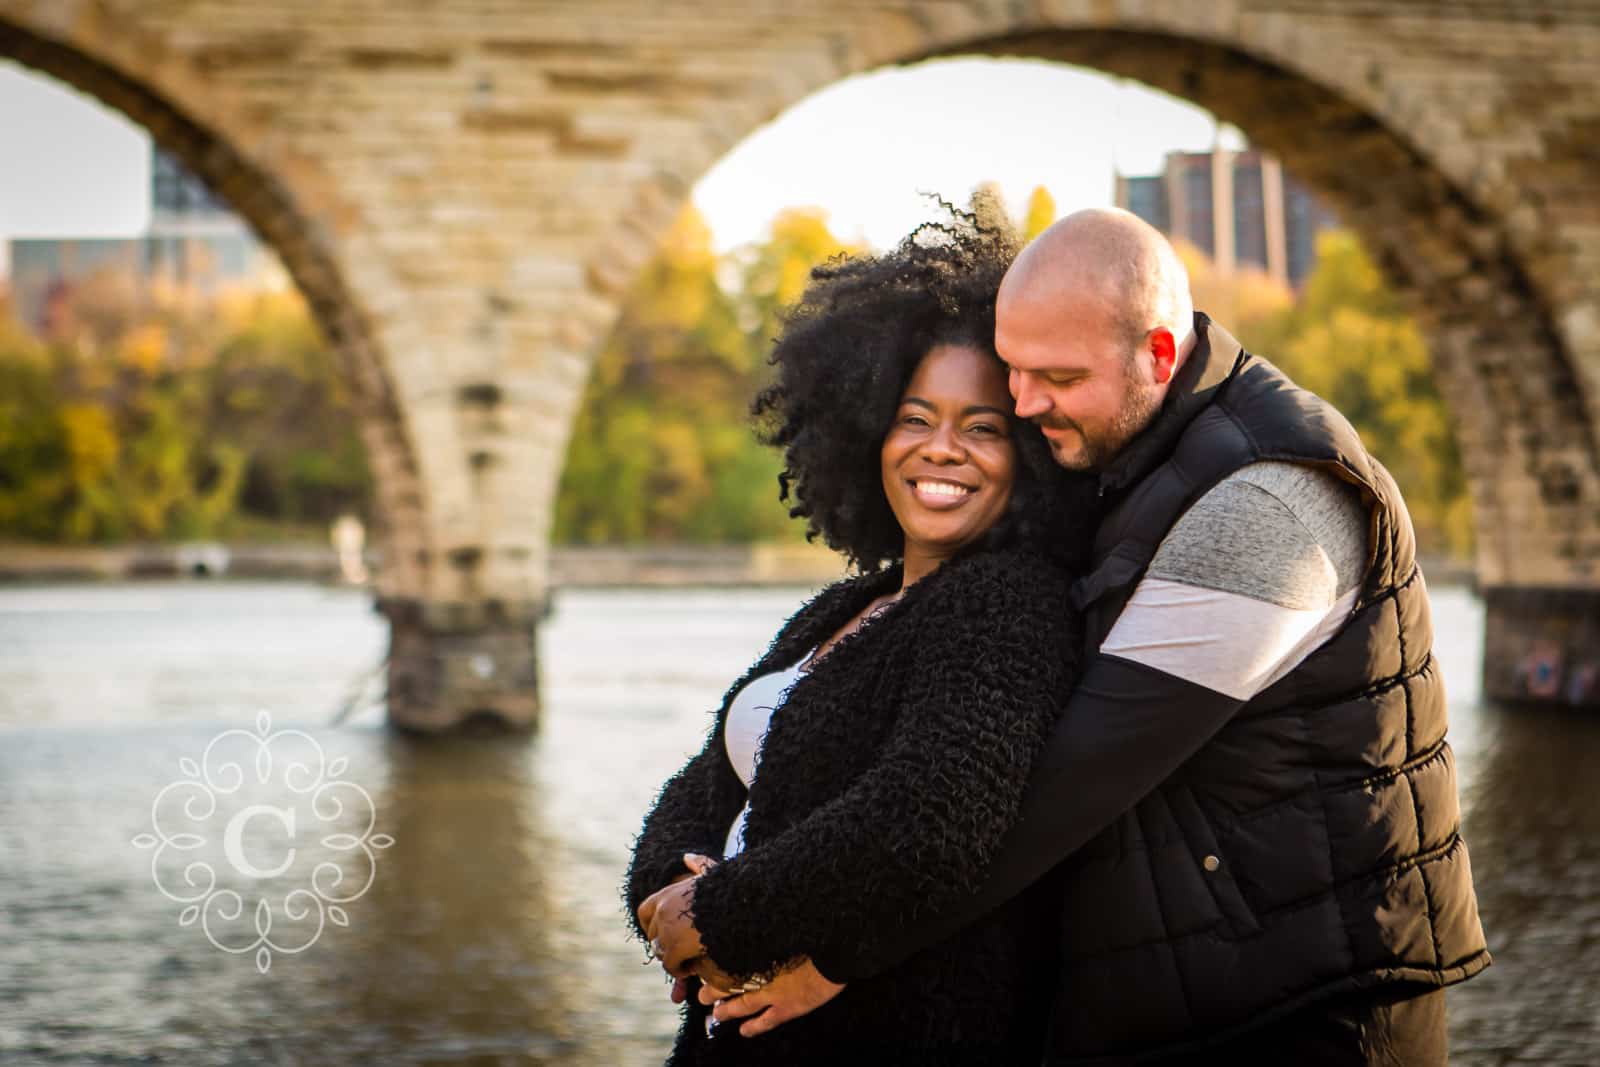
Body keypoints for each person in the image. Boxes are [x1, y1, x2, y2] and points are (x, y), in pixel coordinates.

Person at [656, 209, 1490, 1064]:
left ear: (1159, 356)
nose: (1023, 404)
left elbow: (1066, 780)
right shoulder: (1126, 454)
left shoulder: (1271, 497)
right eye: (1013, 373)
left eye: (1053, 377)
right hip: (1176, 993)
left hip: (1309, 1016)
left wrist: (833, 953)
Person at [626, 208, 1093, 1064]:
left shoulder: (1006, 602)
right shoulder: (845, 606)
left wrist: (724, 911)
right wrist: (661, 893)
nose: (940, 450)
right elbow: (709, 779)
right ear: (867, 430)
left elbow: (930, 817)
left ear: (1027, 450)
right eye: (914, 418)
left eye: (982, 427)